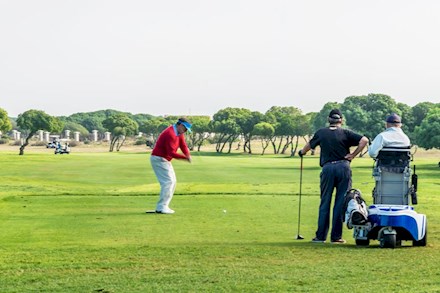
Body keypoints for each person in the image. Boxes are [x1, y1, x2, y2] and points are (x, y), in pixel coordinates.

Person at [298, 109, 369, 244]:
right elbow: (364, 140)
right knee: (340, 202)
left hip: (328, 168)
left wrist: (301, 152)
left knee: (325, 202)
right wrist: (353, 155)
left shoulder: (321, 132)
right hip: (343, 167)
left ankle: (320, 236)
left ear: (328, 119)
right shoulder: (346, 133)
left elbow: (308, 146)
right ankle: (336, 237)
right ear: (341, 120)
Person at [150, 117, 192, 214]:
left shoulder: (179, 133)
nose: (185, 131)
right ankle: (161, 207)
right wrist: (185, 158)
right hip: (159, 159)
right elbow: (171, 153)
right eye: (185, 129)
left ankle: (163, 206)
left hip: (164, 159)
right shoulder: (170, 134)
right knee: (168, 182)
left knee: (172, 181)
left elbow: (183, 145)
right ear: (180, 125)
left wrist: (187, 154)